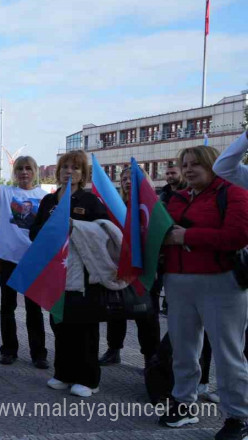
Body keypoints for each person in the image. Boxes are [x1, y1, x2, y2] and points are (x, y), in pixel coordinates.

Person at [157, 144, 248, 439]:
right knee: (183, 350)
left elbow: (237, 236)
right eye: (185, 164)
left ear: (213, 164)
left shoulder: (234, 193)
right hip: (178, 282)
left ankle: (239, 417)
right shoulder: (176, 197)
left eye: (196, 163)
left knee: (227, 354)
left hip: (221, 284)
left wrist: (188, 236)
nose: (189, 169)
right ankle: (184, 404)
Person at [30, 151, 108, 398]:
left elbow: (105, 232)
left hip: (82, 275)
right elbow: (34, 233)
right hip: (55, 273)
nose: (69, 172)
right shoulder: (48, 202)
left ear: (83, 174)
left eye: (75, 168)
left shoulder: (91, 201)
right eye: (65, 167)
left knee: (84, 327)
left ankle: (88, 378)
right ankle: (63, 373)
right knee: (60, 324)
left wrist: (76, 226)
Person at [0, 139, 49, 369]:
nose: (24, 172)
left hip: (33, 261)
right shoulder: (5, 193)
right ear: (14, 173)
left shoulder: (44, 197)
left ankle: (39, 354)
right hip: (8, 259)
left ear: (34, 172)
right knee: (8, 307)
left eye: (28, 168)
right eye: (20, 169)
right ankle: (9, 350)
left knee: (34, 309)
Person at [99, 164, 161, 367]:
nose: (127, 181)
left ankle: (150, 356)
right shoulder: (117, 205)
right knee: (116, 309)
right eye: (124, 178)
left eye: (131, 178)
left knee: (147, 314)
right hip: (120, 265)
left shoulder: (152, 204)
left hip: (146, 268)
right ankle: (113, 349)